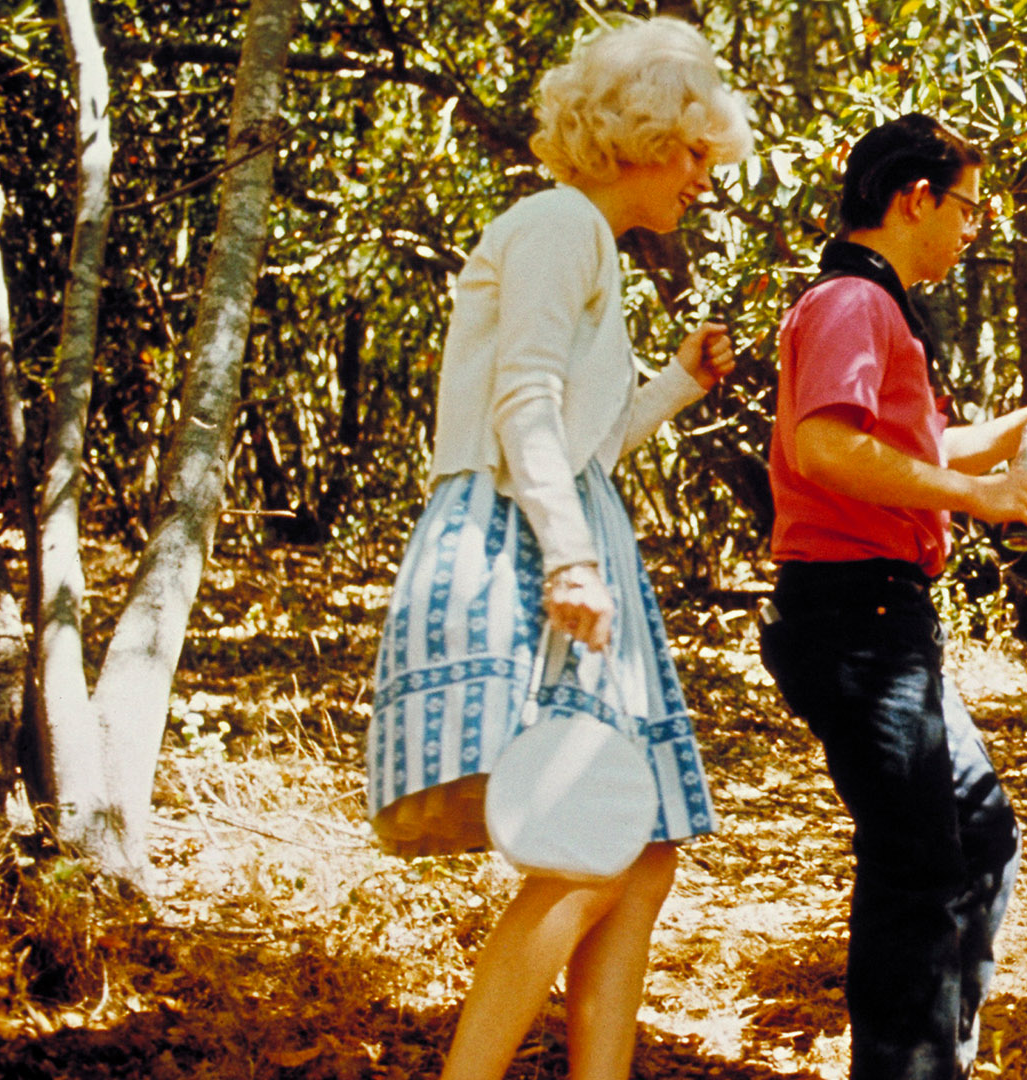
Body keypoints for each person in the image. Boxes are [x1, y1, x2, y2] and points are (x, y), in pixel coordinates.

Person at [362, 17, 751, 1080]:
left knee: (642, 851)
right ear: (643, 137)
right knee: (593, 846)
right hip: (522, 544)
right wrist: (571, 560)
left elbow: (578, 437)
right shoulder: (556, 225)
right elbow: (519, 402)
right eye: (693, 150)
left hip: (564, 529)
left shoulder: (588, 246)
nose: (700, 178)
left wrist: (673, 386)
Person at [757, 112, 1027, 1080]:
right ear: (913, 198)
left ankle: (938, 1060)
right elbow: (825, 447)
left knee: (977, 839)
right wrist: (977, 496)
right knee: (920, 872)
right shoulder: (851, 301)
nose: (973, 228)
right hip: (857, 620)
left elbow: (916, 446)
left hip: (885, 620)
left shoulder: (875, 308)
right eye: (966, 206)